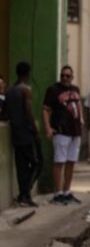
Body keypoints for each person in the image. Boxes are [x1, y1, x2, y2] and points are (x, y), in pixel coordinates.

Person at [43, 65, 83, 205]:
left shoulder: (75, 89)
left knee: (71, 162)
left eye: (68, 76)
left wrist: (81, 120)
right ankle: (58, 193)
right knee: (59, 161)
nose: (65, 78)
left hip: (75, 131)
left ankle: (67, 192)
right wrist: (48, 128)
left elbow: (79, 105)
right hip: (61, 131)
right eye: (63, 75)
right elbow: (46, 110)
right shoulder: (53, 90)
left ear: (72, 77)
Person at [5, 62, 41, 207]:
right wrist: (35, 131)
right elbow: (29, 113)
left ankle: (23, 195)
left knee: (21, 166)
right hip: (26, 133)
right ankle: (25, 193)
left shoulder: (9, 91)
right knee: (36, 162)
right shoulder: (25, 90)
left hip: (15, 132)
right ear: (28, 73)